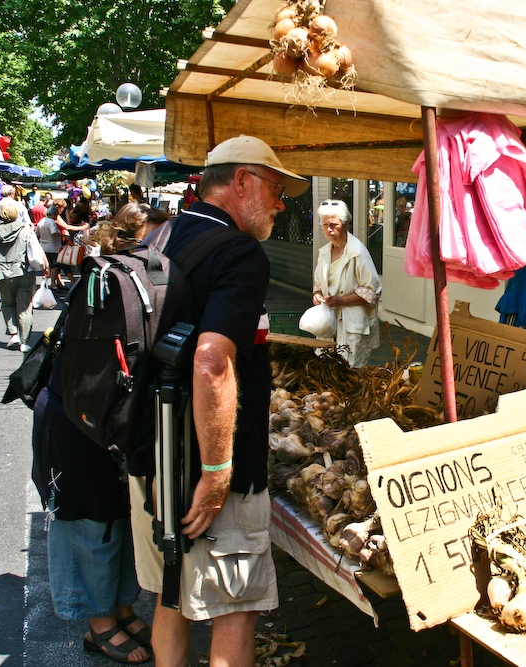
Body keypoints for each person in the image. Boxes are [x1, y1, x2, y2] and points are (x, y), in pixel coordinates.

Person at [127, 135, 308, 667]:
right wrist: (217, 472)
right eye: (276, 189)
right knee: (236, 609)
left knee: (170, 593)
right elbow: (211, 361)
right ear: (242, 181)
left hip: (152, 448)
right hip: (206, 458)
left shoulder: (161, 234)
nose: (281, 204)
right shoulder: (239, 251)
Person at [31, 203, 169, 665]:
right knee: (87, 520)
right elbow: (91, 367)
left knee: (118, 515)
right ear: (139, 237)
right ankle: (98, 623)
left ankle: (122, 607)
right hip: (78, 418)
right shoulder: (105, 280)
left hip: (105, 418)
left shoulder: (131, 277)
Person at [312, 199, 382, 367]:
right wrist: (317, 296)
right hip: (329, 323)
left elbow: (372, 291)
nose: (329, 229)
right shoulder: (325, 253)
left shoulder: (357, 251)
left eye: (334, 225)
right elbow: (318, 285)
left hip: (352, 324)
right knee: (326, 371)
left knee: (350, 375)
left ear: (346, 223)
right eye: (325, 225)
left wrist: (340, 300)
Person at [0, 198, 48, 352]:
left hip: (2, 273)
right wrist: (46, 266)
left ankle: (13, 334)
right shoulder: (26, 229)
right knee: (25, 307)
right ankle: (25, 341)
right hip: (24, 271)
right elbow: (36, 248)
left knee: (7, 304)